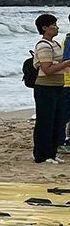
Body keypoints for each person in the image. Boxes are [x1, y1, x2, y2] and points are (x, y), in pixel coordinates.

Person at [32, 13, 70, 163]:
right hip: (45, 87)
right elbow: (47, 69)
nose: (56, 27)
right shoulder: (43, 45)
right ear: (45, 28)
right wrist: (65, 64)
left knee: (57, 120)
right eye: (53, 25)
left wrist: (61, 65)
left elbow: (56, 65)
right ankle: (42, 155)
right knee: (45, 121)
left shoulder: (56, 44)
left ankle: (52, 153)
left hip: (58, 85)